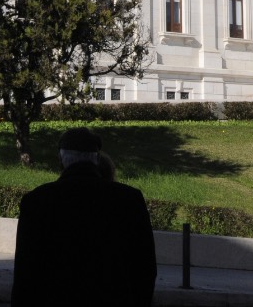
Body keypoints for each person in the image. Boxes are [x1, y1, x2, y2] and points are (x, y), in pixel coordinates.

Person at [12, 127, 156, 307]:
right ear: (97, 159)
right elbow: (145, 266)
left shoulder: (37, 201)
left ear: (61, 160)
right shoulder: (129, 199)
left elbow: (25, 271)